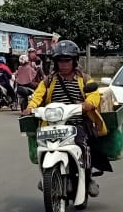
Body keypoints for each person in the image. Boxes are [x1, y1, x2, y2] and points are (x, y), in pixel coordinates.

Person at [22, 39, 108, 196]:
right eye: (60, 61)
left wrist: (88, 104)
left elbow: (94, 95)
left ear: (74, 61)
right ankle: (46, 176)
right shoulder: (48, 80)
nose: (63, 64)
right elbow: (37, 96)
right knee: (43, 147)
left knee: (84, 146)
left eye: (67, 60)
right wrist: (30, 108)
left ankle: (88, 178)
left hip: (77, 123)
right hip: (52, 124)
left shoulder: (84, 78)